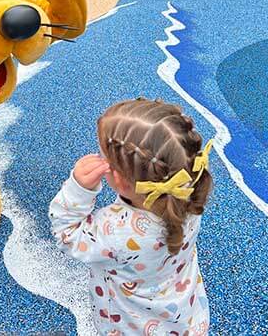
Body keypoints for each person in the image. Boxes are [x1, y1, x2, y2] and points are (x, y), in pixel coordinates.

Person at [49, 98, 213, 335]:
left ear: (120, 180)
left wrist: (79, 189)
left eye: (104, 156)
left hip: (132, 327)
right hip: (185, 320)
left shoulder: (113, 229)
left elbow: (67, 234)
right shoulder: (188, 194)